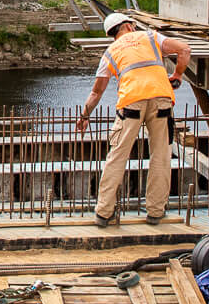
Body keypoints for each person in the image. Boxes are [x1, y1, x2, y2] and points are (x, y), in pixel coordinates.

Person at [77, 13, 192, 225]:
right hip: (161, 100)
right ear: (129, 26)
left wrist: (85, 116)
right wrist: (177, 74)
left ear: (112, 35)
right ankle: (156, 212)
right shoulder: (150, 37)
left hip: (131, 103)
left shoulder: (110, 53)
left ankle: (104, 212)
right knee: (161, 156)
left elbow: (96, 93)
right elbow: (184, 50)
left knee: (117, 155)